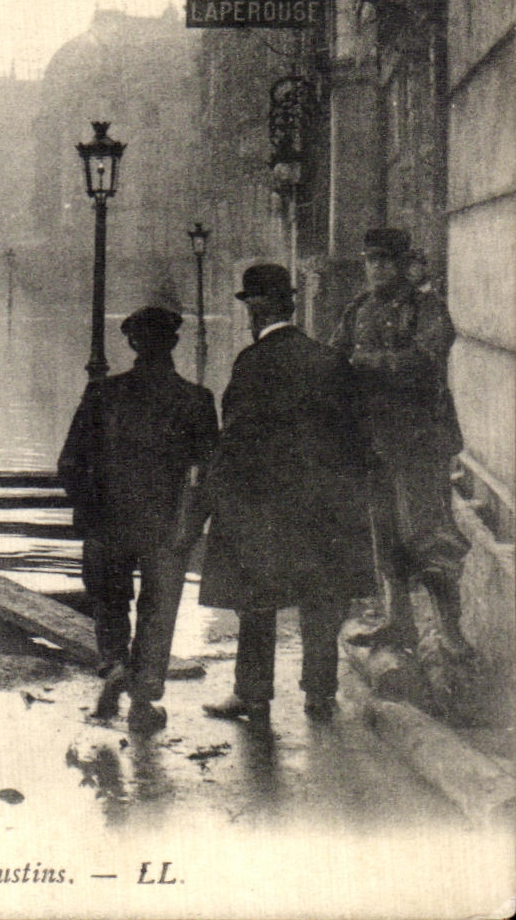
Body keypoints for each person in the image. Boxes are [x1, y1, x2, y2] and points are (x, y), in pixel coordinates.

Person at [184, 264, 375, 724]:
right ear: (290, 305)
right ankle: (320, 695)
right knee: (322, 597)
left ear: (256, 308)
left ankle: (252, 695)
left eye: (250, 304)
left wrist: (212, 500)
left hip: (266, 503)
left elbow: (235, 437)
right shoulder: (329, 359)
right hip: (325, 505)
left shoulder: (253, 363)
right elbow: (356, 437)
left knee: (257, 600)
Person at [57, 305, 219, 734]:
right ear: (175, 344)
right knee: (158, 610)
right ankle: (144, 699)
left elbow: (70, 463)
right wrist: (190, 525)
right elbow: (209, 476)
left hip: (108, 522)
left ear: (131, 343)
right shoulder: (196, 400)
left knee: (109, 601)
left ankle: (113, 663)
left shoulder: (102, 394)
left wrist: (90, 512)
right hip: (166, 526)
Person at [329, 228, 472, 657]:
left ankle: (451, 630)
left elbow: (427, 358)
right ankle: (398, 623)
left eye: (385, 261)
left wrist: (368, 362)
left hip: (419, 441)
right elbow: (335, 355)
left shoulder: (425, 307)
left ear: (404, 264)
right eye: (370, 261)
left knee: (431, 535)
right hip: (373, 440)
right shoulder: (359, 308)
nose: (376, 269)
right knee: (385, 534)